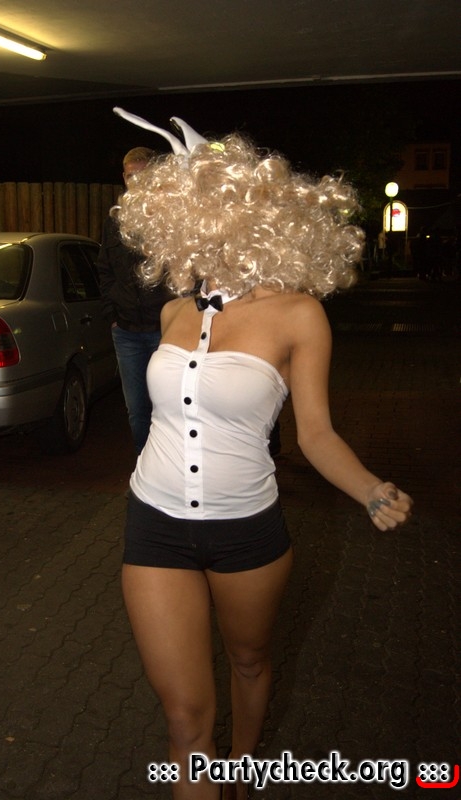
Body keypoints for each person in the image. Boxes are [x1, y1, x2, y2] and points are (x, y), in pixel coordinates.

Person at [112, 108, 413, 800]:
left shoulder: (299, 314)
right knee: (185, 720)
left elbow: (315, 435)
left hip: (246, 528)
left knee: (248, 661)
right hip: (154, 522)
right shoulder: (173, 312)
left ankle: (243, 769)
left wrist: (370, 489)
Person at [96, 146, 171, 455]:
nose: (136, 183)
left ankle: (169, 468)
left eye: (143, 176)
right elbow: (104, 270)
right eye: (130, 177)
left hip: (164, 331)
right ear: (124, 178)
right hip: (126, 331)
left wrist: (176, 319)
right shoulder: (113, 222)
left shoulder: (172, 219)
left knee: (168, 407)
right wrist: (112, 313)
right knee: (137, 410)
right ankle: (144, 466)